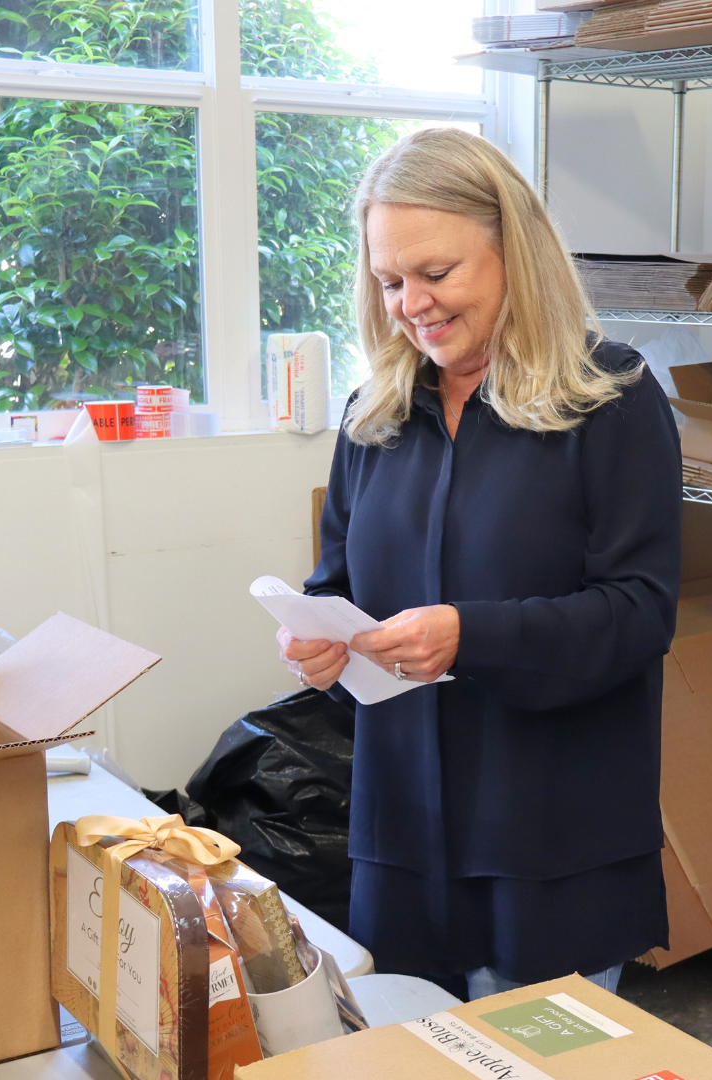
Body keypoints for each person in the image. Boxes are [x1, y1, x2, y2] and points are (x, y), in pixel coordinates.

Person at [276, 127, 683, 1000]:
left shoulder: (610, 400)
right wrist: (318, 643)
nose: (411, 304)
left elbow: (640, 612)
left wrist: (471, 636)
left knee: (539, 1060)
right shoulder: (375, 415)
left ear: (514, 252)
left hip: (551, 845)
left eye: (436, 272)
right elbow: (336, 583)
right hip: (402, 839)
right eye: (390, 282)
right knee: (408, 1047)